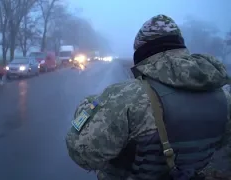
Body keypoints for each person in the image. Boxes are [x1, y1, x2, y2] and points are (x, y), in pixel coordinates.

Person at [65, 14, 231, 180]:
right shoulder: (224, 96)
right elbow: (220, 143)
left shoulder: (126, 96)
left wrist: (87, 108)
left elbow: (83, 153)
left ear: (142, 52)